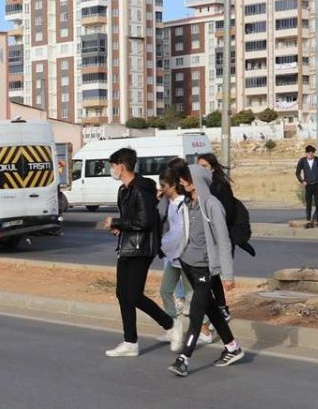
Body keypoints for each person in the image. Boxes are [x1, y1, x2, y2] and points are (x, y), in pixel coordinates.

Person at [103, 148, 182, 357]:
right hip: (128, 245)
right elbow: (134, 219)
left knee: (134, 295)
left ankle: (170, 324)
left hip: (142, 248)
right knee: (123, 294)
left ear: (121, 165)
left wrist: (118, 222)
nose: (111, 170)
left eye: (112, 166)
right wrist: (119, 228)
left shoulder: (141, 188)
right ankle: (130, 342)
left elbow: (145, 221)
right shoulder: (124, 190)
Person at [169, 164, 245, 377]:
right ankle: (232, 347)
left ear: (197, 182)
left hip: (204, 267)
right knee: (210, 308)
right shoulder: (187, 203)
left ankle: (184, 359)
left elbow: (223, 240)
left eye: (186, 179)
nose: (182, 182)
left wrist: (227, 274)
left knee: (196, 313)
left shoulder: (212, 205)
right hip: (188, 264)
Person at [157, 167, 200, 347]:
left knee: (191, 295)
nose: (161, 190)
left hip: (184, 257)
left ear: (173, 185)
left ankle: (202, 327)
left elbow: (180, 233)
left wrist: (164, 244)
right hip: (174, 257)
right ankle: (175, 327)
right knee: (166, 291)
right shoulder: (172, 204)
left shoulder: (182, 204)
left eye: (164, 186)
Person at [295, 145, 318, 228]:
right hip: (308, 186)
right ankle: (308, 221)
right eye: (309, 153)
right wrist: (302, 181)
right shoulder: (302, 161)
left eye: (312, 153)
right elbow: (297, 172)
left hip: (317, 186)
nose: (311, 154)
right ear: (306, 153)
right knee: (308, 204)